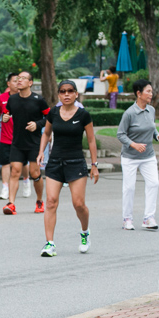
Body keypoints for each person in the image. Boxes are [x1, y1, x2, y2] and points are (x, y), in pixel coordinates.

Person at [37, 80, 99, 256]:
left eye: (70, 91)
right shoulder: (53, 113)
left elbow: (92, 140)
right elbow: (47, 133)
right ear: (58, 95)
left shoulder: (83, 115)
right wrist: (41, 151)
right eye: (63, 91)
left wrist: (94, 165)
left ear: (76, 94)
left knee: (78, 204)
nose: (66, 94)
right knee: (50, 202)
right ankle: (49, 243)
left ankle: (85, 232)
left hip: (76, 163)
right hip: (55, 162)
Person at [117, 79, 159, 231]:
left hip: (148, 156)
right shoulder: (129, 113)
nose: (151, 94)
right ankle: (127, 219)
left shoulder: (151, 110)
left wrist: (157, 136)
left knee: (154, 183)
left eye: (151, 91)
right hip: (130, 157)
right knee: (129, 188)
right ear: (139, 93)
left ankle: (148, 218)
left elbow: (152, 128)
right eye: (148, 91)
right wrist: (133, 144)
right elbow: (121, 134)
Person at [3, 71, 48, 215]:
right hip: (17, 142)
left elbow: (49, 118)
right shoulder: (13, 99)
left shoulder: (38, 100)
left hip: (34, 143)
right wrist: (4, 117)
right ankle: (11, 204)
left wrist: (38, 124)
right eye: (18, 79)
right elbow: (7, 113)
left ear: (30, 83)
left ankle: (40, 201)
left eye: (23, 78)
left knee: (35, 173)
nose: (19, 81)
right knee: (15, 170)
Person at [0, 73, 31, 200]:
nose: (18, 82)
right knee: (5, 163)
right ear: (9, 84)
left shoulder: (25, 98)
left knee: (23, 164)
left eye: (19, 80)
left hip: (21, 137)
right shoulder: (2, 98)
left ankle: (26, 181)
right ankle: (5, 188)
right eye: (15, 80)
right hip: (6, 137)